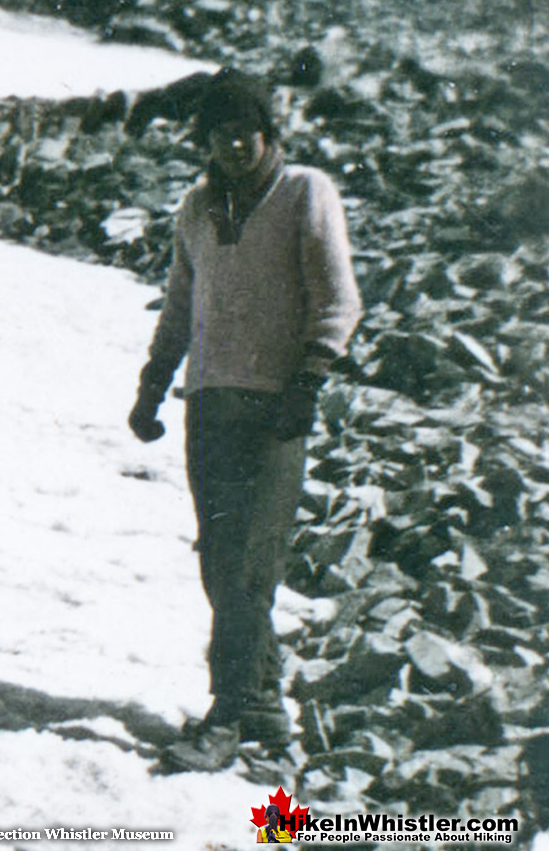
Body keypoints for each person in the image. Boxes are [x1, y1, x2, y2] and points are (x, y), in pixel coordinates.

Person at [129, 67, 362, 770]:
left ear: (267, 132)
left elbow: (338, 297)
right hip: (209, 404)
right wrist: (152, 384)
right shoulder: (197, 209)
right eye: (218, 133)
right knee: (219, 565)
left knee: (248, 571)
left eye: (244, 131)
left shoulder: (303, 192)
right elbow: (178, 306)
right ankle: (261, 705)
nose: (233, 144)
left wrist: (309, 380)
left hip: (274, 408)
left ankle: (226, 714)